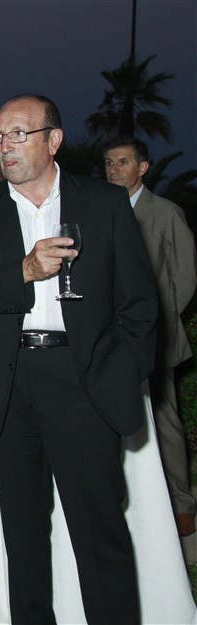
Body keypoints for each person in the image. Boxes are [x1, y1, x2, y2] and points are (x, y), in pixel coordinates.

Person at [0, 94, 158, 624]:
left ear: (53, 140)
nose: (5, 145)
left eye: (18, 133)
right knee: (23, 535)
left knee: (99, 531)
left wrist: (119, 370)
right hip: (7, 383)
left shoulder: (103, 203)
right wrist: (24, 271)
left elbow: (140, 303)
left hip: (82, 381)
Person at [104, 136, 197, 536]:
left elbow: (185, 278)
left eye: (122, 162)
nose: (113, 170)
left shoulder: (165, 213)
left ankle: (181, 504)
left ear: (142, 168)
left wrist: (157, 323)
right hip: (109, 335)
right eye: (109, 163)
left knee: (164, 418)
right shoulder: (101, 212)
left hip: (154, 336)